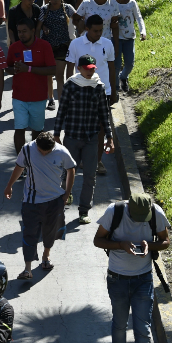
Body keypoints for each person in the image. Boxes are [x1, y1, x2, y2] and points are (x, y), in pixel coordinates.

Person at [93, 192, 171, 343]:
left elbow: (166, 241)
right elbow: (97, 240)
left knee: (143, 329)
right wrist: (120, 245)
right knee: (120, 326)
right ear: (128, 206)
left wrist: (150, 246)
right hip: (117, 279)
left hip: (144, 280)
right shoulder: (113, 211)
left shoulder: (156, 213)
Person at [3, 131, 75, 279]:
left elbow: (71, 170)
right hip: (31, 201)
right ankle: (27, 268)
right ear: (36, 144)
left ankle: (46, 256)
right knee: (29, 233)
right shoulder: (28, 149)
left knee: (50, 232)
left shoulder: (62, 151)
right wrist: (9, 185)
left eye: (47, 152)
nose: (44, 154)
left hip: (55, 200)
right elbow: (19, 167)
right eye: (41, 151)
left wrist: (67, 193)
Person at [53, 54, 114, 225]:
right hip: (72, 137)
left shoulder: (99, 87)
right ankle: (65, 197)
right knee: (66, 172)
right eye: (86, 70)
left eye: (92, 70)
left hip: (91, 139)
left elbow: (104, 114)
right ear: (79, 69)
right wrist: (56, 134)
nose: (89, 73)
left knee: (89, 176)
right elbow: (62, 111)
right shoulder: (71, 86)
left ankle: (84, 210)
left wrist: (109, 137)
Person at [6, 18, 56, 156]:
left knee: (37, 130)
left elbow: (52, 69)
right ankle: (21, 162)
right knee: (19, 129)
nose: (21, 34)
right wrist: (14, 69)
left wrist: (28, 69)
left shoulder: (45, 46)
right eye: (19, 32)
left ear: (33, 31)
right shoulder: (14, 47)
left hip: (38, 97)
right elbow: (7, 67)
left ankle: (34, 160)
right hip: (19, 97)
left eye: (24, 31)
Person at [38, 0, 77, 109]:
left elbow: (78, 20)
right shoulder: (44, 9)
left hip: (63, 46)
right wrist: (43, 28)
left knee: (59, 75)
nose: (53, 1)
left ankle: (62, 107)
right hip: (47, 47)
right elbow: (38, 26)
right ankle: (51, 99)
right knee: (49, 75)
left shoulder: (68, 8)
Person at [113, 0, 146, 92]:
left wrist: (143, 31)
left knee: (130, 63)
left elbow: (139, 17)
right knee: (116, 63)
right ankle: (116, 87)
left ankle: (123, 77)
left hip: (129, 38)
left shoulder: (132, 3)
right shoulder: (112, 3)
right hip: (116, 38)